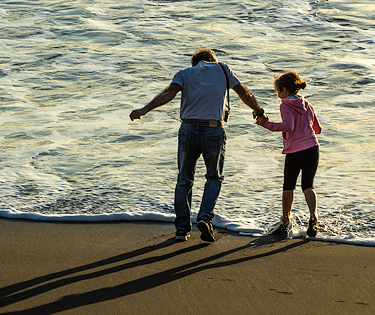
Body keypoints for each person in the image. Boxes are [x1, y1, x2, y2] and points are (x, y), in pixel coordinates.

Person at [130, 48, 266, 243]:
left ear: (194, 63)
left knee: (184, 180)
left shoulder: (184, 74)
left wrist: (145, 109)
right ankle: (204, 217)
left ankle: (181, 230)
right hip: (213, 130)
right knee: (214, 177)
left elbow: (169, 93)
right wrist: (259, 111)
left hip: (188, 130)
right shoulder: (223, 69)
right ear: (212, 60)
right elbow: (243, 92)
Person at [255, 72, 322, 238]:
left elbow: (288, 126)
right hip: (313, 148)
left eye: (277, 91)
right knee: (308, 185)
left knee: (288, 186)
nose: (277, 95)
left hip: (296, 151)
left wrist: (266, 124)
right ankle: (313, 216)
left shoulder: (285, 105)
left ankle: (285, 221)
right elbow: (318, 129)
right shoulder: (307, 104)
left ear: (284, 90)